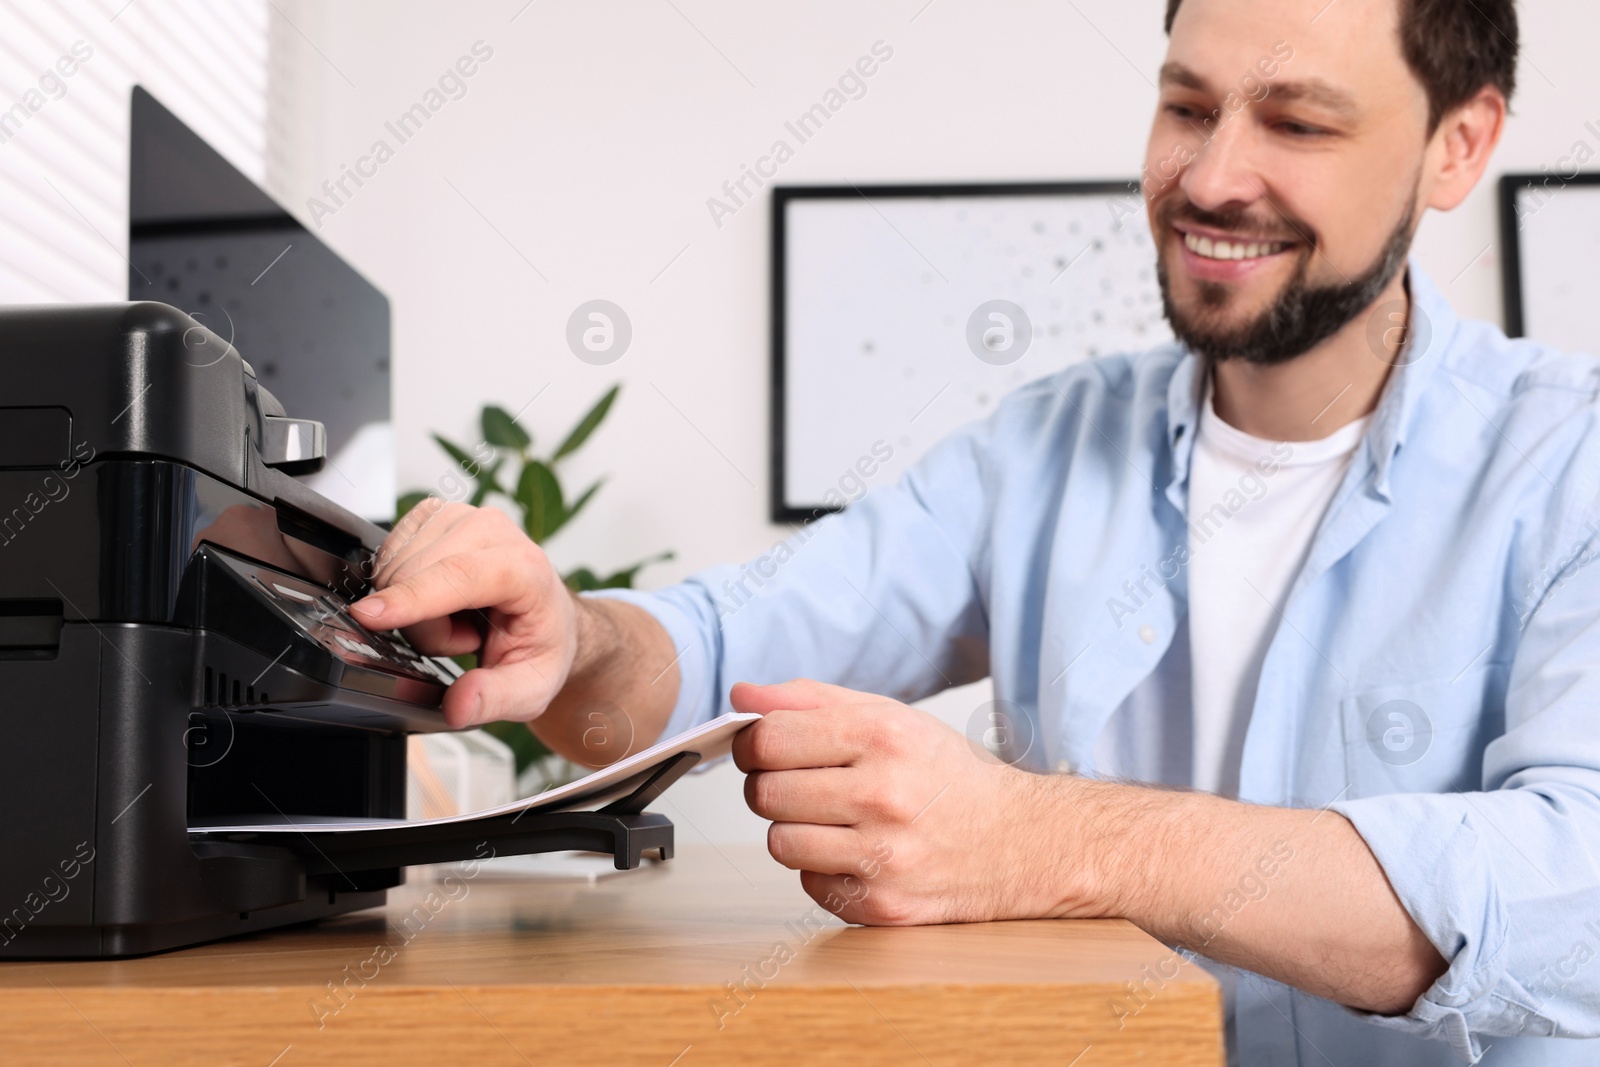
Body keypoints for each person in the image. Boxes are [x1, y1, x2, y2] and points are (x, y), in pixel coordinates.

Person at [353, 0, 1600, 1061]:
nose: (1212, 177)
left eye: (1298, 123)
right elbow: (708, 653)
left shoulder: (1570, 461)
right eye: (1186, 106)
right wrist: (569, 637)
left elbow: (1576, 891)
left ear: (1459, 145)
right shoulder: (1042, 451)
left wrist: (1046, 837)